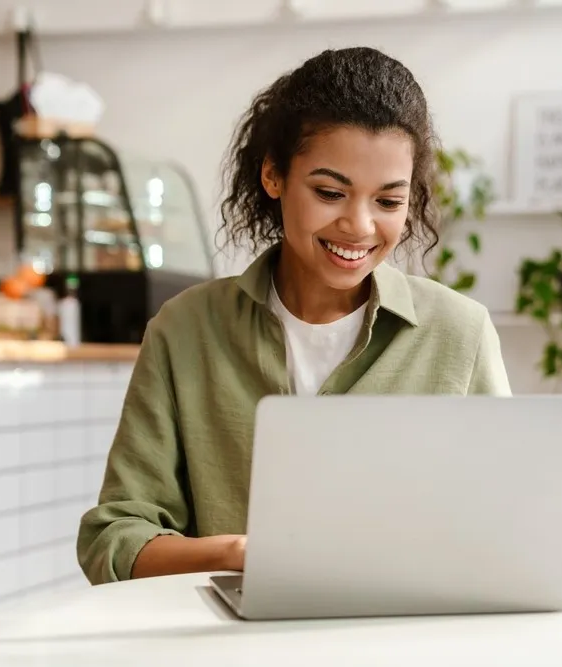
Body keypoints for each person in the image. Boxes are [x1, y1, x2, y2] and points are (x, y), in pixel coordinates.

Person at [77, 46, 511, 584]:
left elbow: (504, 531)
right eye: (330, 192)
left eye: (388, 202)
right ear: (274, 176)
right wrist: (238, 553)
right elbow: (114, 538)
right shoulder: (185, 330)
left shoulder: (460, 333)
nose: (358, 225)